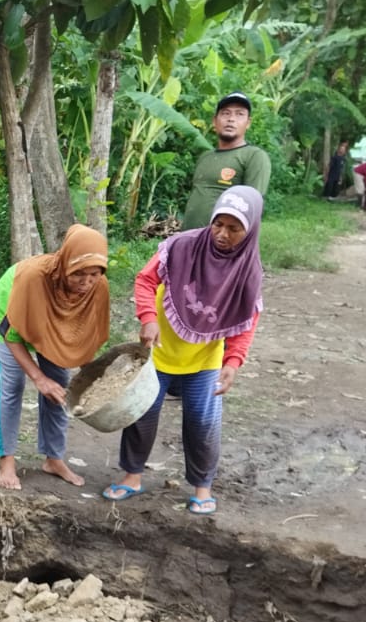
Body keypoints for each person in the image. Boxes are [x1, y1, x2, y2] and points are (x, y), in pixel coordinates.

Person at [103, 186, 264, 516]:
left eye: (234, 229)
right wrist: (148, 319)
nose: (222, 234)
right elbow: (146, 280)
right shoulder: (182, 246)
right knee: (142, 414)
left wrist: (233, 360)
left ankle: (202, 487)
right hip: (160, 352)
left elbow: (248, 318)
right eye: (218, 224)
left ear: (250, 231)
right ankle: (132, 475)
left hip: (204, 360)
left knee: (202, 421)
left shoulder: (248, 269)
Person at [0, 225, 110, 491]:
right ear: (66, 264)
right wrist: (38, 378)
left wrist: (93, 375)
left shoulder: (98, 288)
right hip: (10, 316)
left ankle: (54, 458)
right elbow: (11, 335)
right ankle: (6, 460)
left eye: (94, 274)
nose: (86, 283)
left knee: (59, 386)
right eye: (79, 274)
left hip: (55, 323)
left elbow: (85, 332)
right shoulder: (33, 278)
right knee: (12, 386)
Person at [182, 92, 271, 231]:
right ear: (215, 121)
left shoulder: (254, 156)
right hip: (189, 239)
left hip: (222, 244)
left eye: (239, 114)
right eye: (226, 113)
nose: (231, 119)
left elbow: (253, 207)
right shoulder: (206, 156)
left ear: (248, 123)